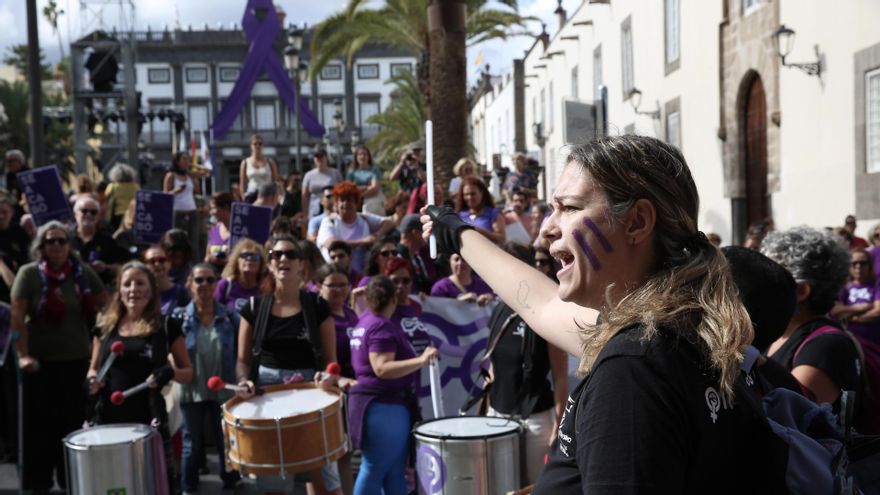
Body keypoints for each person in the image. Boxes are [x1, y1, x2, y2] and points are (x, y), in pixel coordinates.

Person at [421, 135, 786, 492]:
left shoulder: (633, 371)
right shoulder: (678, 330)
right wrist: (458, 234)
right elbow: (542, 304)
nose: (546, 230)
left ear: (637, 222)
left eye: (569, 207)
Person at [235, 234, 342, 495]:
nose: (283, 259)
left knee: (327, 484)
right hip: (267, 397)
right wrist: (243, 381)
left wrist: (329, 378)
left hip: (311, 396)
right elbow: (242, 361)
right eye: (276, 255)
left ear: (301, 264)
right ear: (269, 264)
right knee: (274, 484)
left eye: (290, 254)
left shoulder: (317, 306)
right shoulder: (253, 307)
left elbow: (331, 363)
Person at [11, 221, 106, 491]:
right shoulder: (28, 274)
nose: (56, 246)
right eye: (50, 241)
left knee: (72, 425)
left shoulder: (82, 273)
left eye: (61, 241)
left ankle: (72, 481)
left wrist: (98, 348)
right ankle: (37, 484)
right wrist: (23, 355)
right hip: (39, 364)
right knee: (39, 428)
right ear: (41, 247)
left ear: (69, 245)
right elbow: (17, 316)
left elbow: (107, 307)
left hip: (75, 362)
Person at [86, 261, 192, 489]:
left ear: (151, 290)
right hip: (108, 418)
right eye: (127, 284)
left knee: (150, 484)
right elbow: (93, 368)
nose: (133, 289)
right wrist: (92, 380)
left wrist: (170, 372)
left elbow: (188, 373)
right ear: (120, 291)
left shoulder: (166, 326)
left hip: (148, 419)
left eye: (140, 283)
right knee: (113, 485)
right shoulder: (104, 327)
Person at [484, 242, 568, 485]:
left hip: (536, 420)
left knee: (534, 486)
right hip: (498, 414)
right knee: (501, 484)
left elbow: (560, 376)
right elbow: (494, 364)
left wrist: (558, 426)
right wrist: (490, 407)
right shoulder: (498, 311)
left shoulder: (545, 313)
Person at [348, 276, 438, 495]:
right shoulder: (380, 326)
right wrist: (421, 360)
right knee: (374, 469)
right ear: (393, 300)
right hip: (384, 407)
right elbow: (381, 367)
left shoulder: (364, 321)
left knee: (394, 472)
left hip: (380, 406)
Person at [762, 227, 863, 410]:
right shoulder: (777, 333)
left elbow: (780, 415)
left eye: (768, 274)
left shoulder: (825, 346)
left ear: (802, 291)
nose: (759, 281)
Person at [172, 263, 240, 492]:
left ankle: (230, 483)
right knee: (192, 443)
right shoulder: (178, 318)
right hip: (192, 389)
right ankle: (188, 487)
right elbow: (170, 352)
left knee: (226, 441)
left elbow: (243, 353)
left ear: (216, 284)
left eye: (210, 280)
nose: (204, 285)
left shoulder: (231, 317)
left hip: (224, 389)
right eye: (199, 280)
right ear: (189, 284)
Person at [317, 181, 394, 274]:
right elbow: (332, 244)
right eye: (342, 200)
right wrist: (362, 242)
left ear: (357, 203)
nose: (345, 203)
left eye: (349, 200)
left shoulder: (364, 218)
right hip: (336, 274)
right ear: (336, 204)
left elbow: (390, 223)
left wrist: (376, 236)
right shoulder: (330, 221)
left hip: (361, 275)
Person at [71, 195, 126, 289]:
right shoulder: (65, 239)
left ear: (98, 216)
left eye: (93, 212)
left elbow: (120, 267)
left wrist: (105, 267)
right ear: (75, 214)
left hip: (99, 290)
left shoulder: (107, 240)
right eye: (84, 211)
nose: (88, 215)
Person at [832, 247, 880, 346]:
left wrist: (851, 318)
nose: (858, 267)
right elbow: (835, 311)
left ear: (870, 265)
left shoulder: (876, 285)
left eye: (863, 263)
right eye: (854, 263)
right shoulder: (844, 287)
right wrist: (861, 307)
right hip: (850, 342)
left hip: (874, 344)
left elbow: (877, 312)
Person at [317, 263, 358, 378]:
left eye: (343, 285)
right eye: (332, 286)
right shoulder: (318, 316)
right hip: (335, 380)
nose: (338, 290)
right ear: (319, 286)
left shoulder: (351, 312)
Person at [164, 152, 202, 261]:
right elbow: (165, 195)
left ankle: (194, 265)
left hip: (192, 211)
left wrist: (193, 166)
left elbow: (207, 172)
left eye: (188, 159)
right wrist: (176, 191)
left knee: (193, 242)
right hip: (177, 212)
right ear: (177, 162)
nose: (187, 162)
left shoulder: (189, 175)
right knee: (177, 241)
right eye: (184, 159)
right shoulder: (171, 175)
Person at [215, 239, 264, 313]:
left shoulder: (265, 289)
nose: (249, 259)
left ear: (261, 264)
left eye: (254, 257)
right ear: (237, 261)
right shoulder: (225, 285)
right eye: (244, 256)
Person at [0, 192, 32, 302]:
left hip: (21, 282)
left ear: (12, 213)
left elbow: (28, 254)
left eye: (4, 212)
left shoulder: (18, 231)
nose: (1, 216)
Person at [455, 176, 505, 244]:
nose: (469, 197)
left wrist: (482, 232)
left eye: (473, 194)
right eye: (466, 194)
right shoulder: (458, 216)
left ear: (481, 192)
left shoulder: (493, 214)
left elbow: (502, 239)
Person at [144, 244, 190, 316]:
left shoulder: (182, 293)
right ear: (145, 266)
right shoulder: (141, 293)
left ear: (169, 263)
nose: (157, 264)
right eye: (152, 261)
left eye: (161, 260)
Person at [397, 214, 437, 295]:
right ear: (415, 233)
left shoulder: (417, 258)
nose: (428, 236)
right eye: (425, 232)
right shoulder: (396, 258)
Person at [303, 149, 343, 218]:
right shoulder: (308, 175)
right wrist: (305, 213)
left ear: (326, 158)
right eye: (317, 157)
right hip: (314, 210)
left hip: (331, 209)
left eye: (321, 156)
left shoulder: (335, 173)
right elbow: (304, 196)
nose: (319, 159)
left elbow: (341, 191)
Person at [239, 134, 279, 203]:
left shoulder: (270, 162)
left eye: (260, 144)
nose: (257, 146)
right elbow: (242, 184)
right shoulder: (245, 162)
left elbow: (275, 182)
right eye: (255, 144)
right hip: (251, 195)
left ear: (263, 146)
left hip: (267, 196)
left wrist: (275, 198)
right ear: (251, 146)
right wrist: (244, 197)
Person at [347, 145, 384, 215]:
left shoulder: (374, 170)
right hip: (355, 198)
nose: (362, 156)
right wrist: (366, 187)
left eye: (365, 154)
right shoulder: (351, 172)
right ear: (356, 157)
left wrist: (361, 195)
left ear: (368, 157)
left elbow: (374, 188)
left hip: (371, 197)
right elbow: (349, 188)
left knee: (369, 208)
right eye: (360, 154)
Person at [103, 163, 140, 232]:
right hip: (132, 215)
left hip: (117, 214)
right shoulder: (136, 187)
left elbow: (105, 198)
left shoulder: (112, 186)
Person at [205, 192, 233, 271]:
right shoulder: (213, 230)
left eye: (213, 208)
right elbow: (207, 257)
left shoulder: (239, 231)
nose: (211, 212)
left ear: (225, 208)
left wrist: (223, 262)